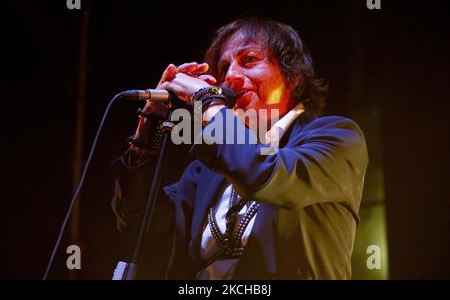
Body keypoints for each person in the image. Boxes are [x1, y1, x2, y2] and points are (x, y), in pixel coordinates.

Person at [111, 17, 368, 279]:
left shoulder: (336, 138)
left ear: (292, 76)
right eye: (223, 69)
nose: (231, 77)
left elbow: (268, 174)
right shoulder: (205, 171)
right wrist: (148, 127)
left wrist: (207, 101)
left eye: (249, 60)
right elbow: (139, 220)